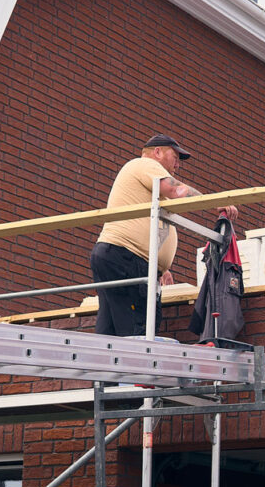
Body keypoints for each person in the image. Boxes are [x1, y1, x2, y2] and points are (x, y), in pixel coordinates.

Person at [90, 134, 238, 336]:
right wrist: (214, 203)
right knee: (138, 329)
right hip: (126, 257)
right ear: (157, 152)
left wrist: (160, 267)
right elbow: (174, 189)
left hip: (117, 256)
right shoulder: (145, 165)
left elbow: (153, 222)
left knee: (111, 329)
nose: (178, 164)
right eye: (175, 157)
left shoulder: (148, 185)